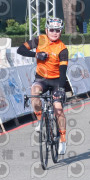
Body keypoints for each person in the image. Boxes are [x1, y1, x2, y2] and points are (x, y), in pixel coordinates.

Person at [17, 17, 69, 154]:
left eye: (57, 30)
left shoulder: (62, 49)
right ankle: (40, 120)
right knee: (34, 93)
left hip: (57, 81)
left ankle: (63, 140)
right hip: (41, 79)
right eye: (51, 30)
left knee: (58, 108)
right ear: (46, 30)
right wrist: (36, 54)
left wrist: (61, 89)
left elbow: (63, 72)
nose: (54, 33)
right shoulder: (40, 40)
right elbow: (20, 50)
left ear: (61, 32)